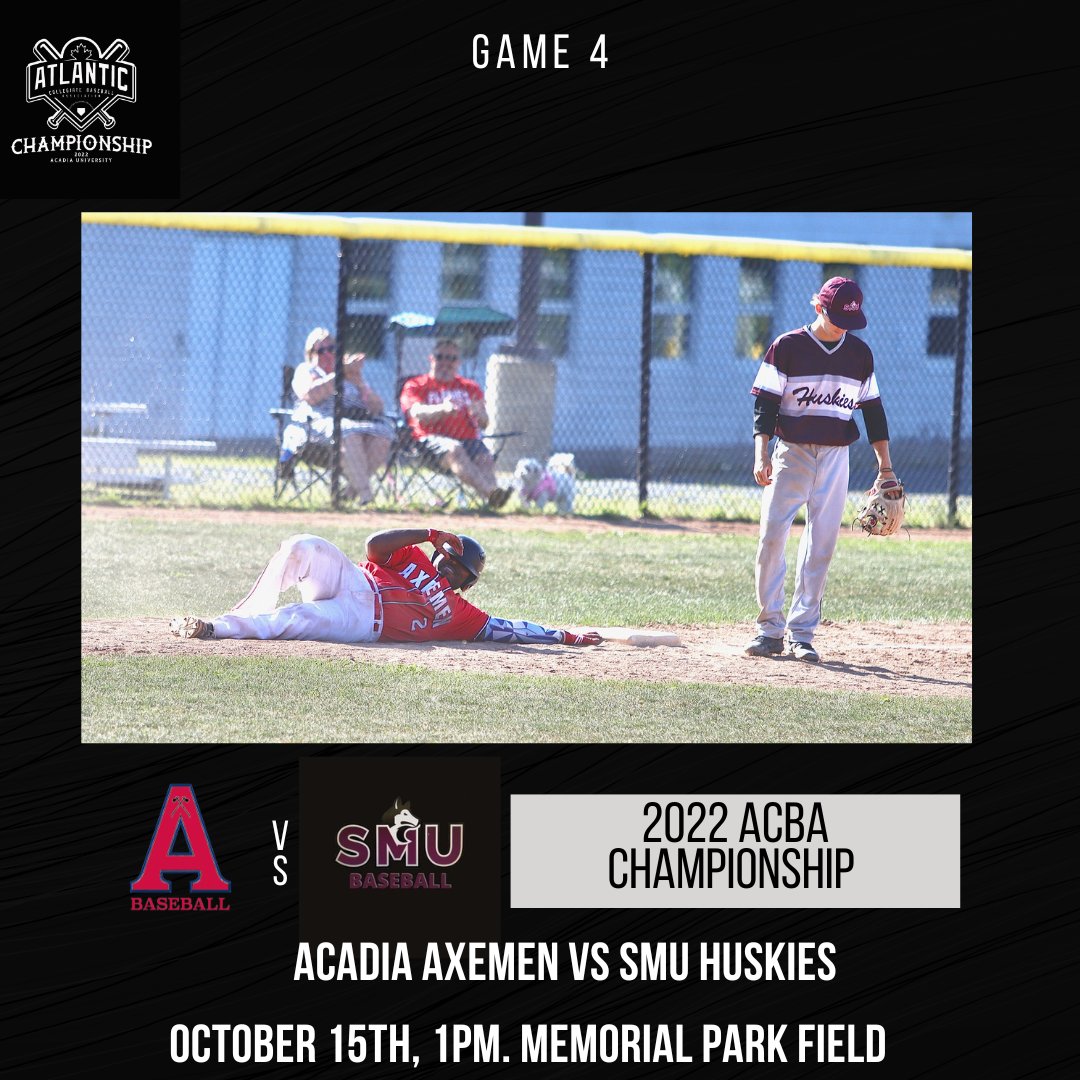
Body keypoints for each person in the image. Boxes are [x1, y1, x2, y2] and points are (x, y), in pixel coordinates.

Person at [745, 276, 897, 664]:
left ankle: (802, 634)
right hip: (791, 453)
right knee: (771, 537)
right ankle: (769, 630)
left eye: (850, 320)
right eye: (837, 318)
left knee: (822, 545)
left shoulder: (860, 354)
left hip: (835, 457)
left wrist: (886, 468)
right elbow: (765, 405)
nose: (844, 327)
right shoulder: (787, 346)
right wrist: (761, 453)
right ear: (818, 308)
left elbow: (873, 412)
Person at [169, 527, 603, 647]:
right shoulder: (413, 556)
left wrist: (565, 636)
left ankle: (215, 628)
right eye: (449, 560)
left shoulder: (460, 614)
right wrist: (429, 533)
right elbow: (373, 546)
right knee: (303, 545)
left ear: (468, 583)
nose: (450, 570)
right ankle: (240, 614)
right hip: (354, 578)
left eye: (459, 572)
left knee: (297, 618)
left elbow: (508, 629)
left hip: (362, 620)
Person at [282, 327, 394, 505]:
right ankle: (366, 495)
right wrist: (340, 373)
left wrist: (359, 382)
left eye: (331, 349)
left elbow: (377, 407)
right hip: (317, 425)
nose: (327, 354)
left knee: (384, 434)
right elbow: (311, 395)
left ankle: (349, 493)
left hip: (355, 422)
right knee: (347, 430)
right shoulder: (306, 370)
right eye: (321, 351)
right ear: (310, 354)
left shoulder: (351, 374)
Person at [398, 339, 514, 509]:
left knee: (485, 457)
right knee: (454, 449)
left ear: (458, 362)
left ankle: (492, 500)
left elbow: (484, 424)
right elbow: (416, 413)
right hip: (429, 444)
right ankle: (491, 493)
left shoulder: (470, 387)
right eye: (441, 357)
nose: (446, 362)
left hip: (468, 441)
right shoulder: (416, 385)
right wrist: (442, 409)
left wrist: (480, 414)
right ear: (431, 359)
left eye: (452, 358)